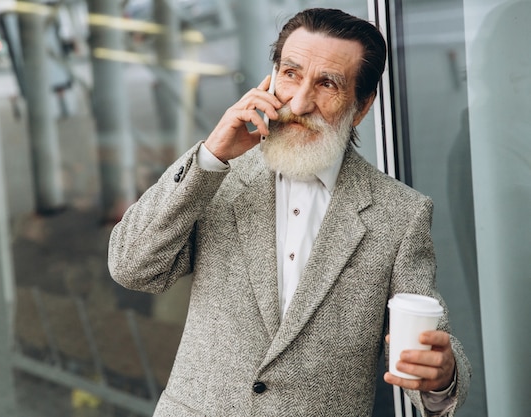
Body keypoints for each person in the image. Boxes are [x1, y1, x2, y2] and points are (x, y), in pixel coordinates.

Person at [108, 8, 471, 417]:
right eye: (291, 74)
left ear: (362, 105)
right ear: (271, 77)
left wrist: (443, 374)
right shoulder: (214, 175)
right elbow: (132, 266)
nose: (299, 102)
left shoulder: (400, 214)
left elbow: (429, 340)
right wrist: (211, 156)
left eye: (327, 84)